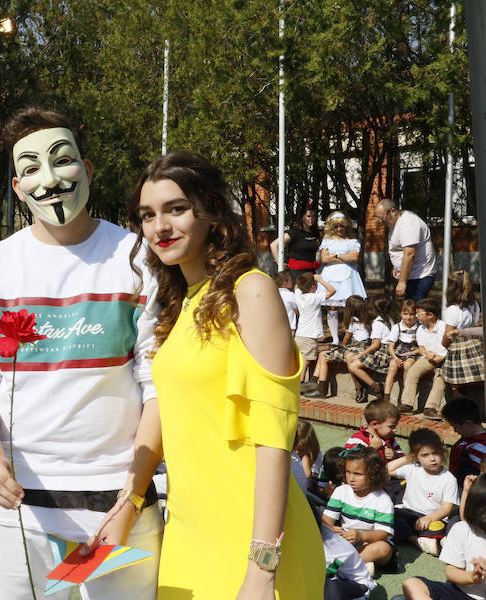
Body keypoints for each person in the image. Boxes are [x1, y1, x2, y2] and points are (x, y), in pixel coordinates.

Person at [88, 150, 323, 598]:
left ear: (211, 212)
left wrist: (262, 567)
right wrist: (129, 501)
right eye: (147, 215)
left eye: (176, 209)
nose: (160, 227)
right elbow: (164, 408)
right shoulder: (178, 305)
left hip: (253, 542)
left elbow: (274, 437)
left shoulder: (250, 290)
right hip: (188, 533)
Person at [0, 108, 164, 599]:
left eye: (61, 160)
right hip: (18, 510)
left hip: (120, 506)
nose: (48, 179)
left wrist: (132, 498)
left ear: (87, 170)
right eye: (30, 168)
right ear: (18, 187)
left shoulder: (139, 261)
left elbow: (158, 385)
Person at [401, 474, 486, 600]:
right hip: (458, 592)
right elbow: (451, 571)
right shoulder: (462, 530)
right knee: (412, 584)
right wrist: (472, 577)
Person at [322, 446, 395, 575]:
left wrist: (362, 536)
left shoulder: (382, 499)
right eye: (348, 472)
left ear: (374, 474)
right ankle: (361, 564)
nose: (351, 478)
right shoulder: (341, 491)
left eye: (358, 474)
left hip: (370, 542)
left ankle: (345, 565)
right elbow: (326, 520)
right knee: (321, 535)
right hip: (346, 540)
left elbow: (383, 533)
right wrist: (330, 528)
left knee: (384, 549)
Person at [387, 429, 459, 555]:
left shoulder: (448, 479)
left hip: (433, 518)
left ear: (442, 452)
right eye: (425, 455)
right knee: (391, 517)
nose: (432, 459)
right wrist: (408, 458)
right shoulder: (412, 469)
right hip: (407, 513)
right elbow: (386, 470)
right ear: (416, 457)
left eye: (436, 453)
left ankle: (434, 540)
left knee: (440, 528)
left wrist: (430, 518)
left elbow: (446, 509)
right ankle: (416, 540)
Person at [311, 295, 378, 402]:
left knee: (323, 355)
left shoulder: (353, 321)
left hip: (357, 348)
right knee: (324, 354)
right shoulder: (368, 319)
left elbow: (346, 338)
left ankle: (320, 389)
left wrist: (343, 346)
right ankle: (313, 383)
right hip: (364, 347)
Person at [373, 198, 437, 301]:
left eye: (381, 217)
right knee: (409, 311)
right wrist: (397, 267)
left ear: (393, 211)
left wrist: (402, 282)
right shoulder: (395, 223)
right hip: (411, 276)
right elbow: (399, 249)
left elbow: (409, 254)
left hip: (420, 276)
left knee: (415, 311)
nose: (380, 221)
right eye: (378, 218)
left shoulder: (408, 223)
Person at [319, 211, 367, 345]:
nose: (340, 229)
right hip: (331, 276)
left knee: (351, 306)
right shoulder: (327, 241)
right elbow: (324, 258)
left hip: (349, 278)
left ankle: (351, 334)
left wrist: (334, 256)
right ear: (332, 227)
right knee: (332, 307)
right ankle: (335, 338)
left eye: (342, 226)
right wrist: (345, 257)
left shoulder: (353, 241)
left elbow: (354, 258)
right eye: (336, 226)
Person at [402, 297, 448, 420]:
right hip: (429, 358)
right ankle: (407, 404)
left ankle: (430, 408)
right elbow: (421, 347)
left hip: (445, 358)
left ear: (430, 315)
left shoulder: (443, 327)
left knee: (440, 379)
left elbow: (450, 347)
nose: (416, 316)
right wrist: (426, 353)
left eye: (419, 313)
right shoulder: (421, 329)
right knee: (413, 371)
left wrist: (441, 357)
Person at [441, 270, 484, 398]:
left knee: (453, 382)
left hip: (458, 349)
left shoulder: (453, 310)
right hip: (474, 346)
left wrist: (443, 344)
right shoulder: (475, 305)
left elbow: (448, 335)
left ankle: (460, 409)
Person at [346, 295, 393, 402]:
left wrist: (361, 355)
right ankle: (365, 387)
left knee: (353, 366)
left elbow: (376, 345)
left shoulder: (377, 323)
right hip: (387, 350)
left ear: (375, 308)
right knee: (352, 361)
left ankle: (375, 386)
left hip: (382, 354)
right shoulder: (388, 319)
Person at [295, 272, 336, 388]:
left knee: (302, 358)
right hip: (309, 335)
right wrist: (321, 280)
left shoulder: (298, 295)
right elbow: (332, 291)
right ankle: (300, 382)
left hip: (300, 334)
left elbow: (297, 287)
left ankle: (301, 381)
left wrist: (308, 279)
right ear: (313, 287)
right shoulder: (314, 298)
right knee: (306, 360)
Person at [386, 299, 420, 412]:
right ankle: (386, 398)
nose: (408, 317)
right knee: (392, 367)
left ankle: (405, 398)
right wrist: (395, 358)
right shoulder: (397, 327)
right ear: (400, 314)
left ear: (416, 315)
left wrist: (410, 354)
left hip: (413, 353)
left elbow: (420, 348)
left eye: (411, 314)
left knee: (408, 365)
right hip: (398, 353)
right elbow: (390, 347)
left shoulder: (419, 328)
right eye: (405, 314)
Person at [269, 204, 320, 279]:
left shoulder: (315, 233)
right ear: (302, 217)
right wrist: (278, 262)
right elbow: (273, 245)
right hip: (297, 273)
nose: (311, 219)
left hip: (311, 272)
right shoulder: (295, 232)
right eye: (308, 216)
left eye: (314, 216)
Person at [443, 398, 486, 486]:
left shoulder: (476, 447)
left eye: (455, 426)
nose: (455, 431)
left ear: (468, 423)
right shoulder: (466, 440)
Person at [291, 419, 321, 493]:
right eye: (295, 448)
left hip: (306, 490)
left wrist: (305, 458)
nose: (297, 452)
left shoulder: (316, 454)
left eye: (301, 449)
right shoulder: (291, 455)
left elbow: (306, 475)